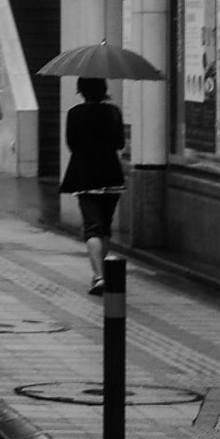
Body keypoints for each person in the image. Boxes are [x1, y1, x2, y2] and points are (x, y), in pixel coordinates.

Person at [60, 75, 126, 294]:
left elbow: (71, 143)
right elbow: (120, 143)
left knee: (92, 227)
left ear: (81, 90)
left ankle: (99, 277)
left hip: (85, 174)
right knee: (105, 226)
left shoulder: (74, 113)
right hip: (111, 173)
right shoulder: (114, 112)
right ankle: (105, 273)